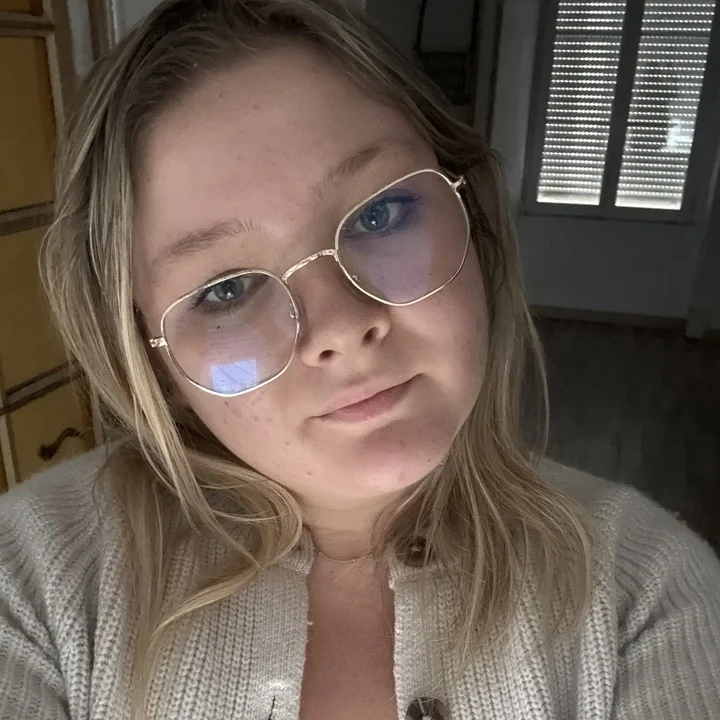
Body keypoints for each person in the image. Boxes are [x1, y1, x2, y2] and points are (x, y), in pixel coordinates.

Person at [1, 0, 719, 718]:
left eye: (380, 215)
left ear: (473, 217)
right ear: (153, 363)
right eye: (227, 290)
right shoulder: (29, 590)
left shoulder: (648, 595)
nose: (342, 328)